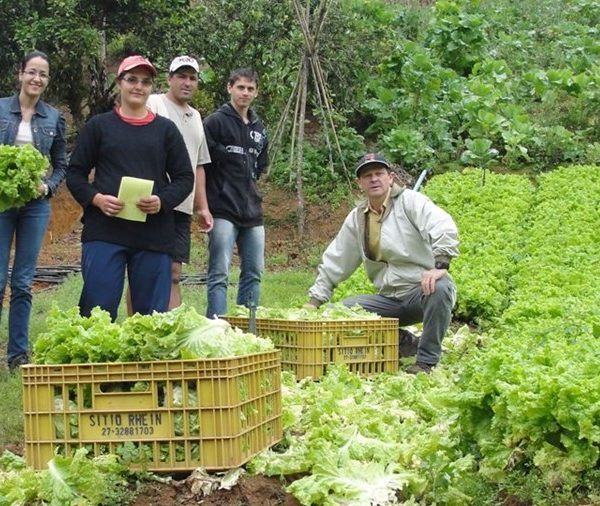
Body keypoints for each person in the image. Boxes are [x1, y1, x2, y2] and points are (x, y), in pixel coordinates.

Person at [305, 153, 459, 374]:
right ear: (360, 183)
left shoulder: (411, 202)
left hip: (420, 291)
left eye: (379, 174)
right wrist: (314, 301)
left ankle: (426, 361)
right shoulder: (357, 218)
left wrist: (440, 266)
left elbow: (443, 226)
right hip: (388, 298)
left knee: (441, 288)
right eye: (367, 176)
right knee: (338, 312)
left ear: (391, 177)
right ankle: (403, 341)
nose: (374, 179)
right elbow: (337, 259)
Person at [66, 55, 194, 321]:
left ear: (151, 88)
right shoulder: (98, 127)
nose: (138, 86)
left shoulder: (166, 130)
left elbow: (184, 178)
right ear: (120, 83)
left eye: (145, 82)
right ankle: (98, 364)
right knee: (96, 314)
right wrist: (97, 199)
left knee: (150, 319)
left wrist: (161, 201)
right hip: (105, 231)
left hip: (153, 235)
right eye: (132, 80)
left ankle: (144, 364)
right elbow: (76, 174)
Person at [126, 55, 212, 311]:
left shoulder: (196, 117)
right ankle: (135, 327)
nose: (187, 82)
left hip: (181, 205)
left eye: (192, 78)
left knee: (175, 270)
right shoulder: (153, 103)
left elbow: (199, 163)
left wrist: (202, 206)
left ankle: (173, 332)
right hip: (152, 201)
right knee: (142, 268)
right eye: (181, 76)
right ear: (169, 78)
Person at [0, 50, 67, 371]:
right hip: (1, 204)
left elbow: (61, 164)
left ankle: (17, 356)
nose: (36, 79)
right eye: (31, 72)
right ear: (20, 74)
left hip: (35, 207)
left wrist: (48, 186)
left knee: (24, 282)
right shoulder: (0, 109)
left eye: (42, 74)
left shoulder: (53, 117)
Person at [203, 68, 268, 317]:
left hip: (252, 211)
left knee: (254, 272)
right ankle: (217, 328)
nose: (245, 93)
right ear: (229, 88)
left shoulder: (259, 128)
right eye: (240, 87)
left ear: (256, 92)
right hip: (222, 209)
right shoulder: (214, 122)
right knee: (219, 273)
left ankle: (246, 328)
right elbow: (202, 164)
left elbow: (261, 165)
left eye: (250, 88)